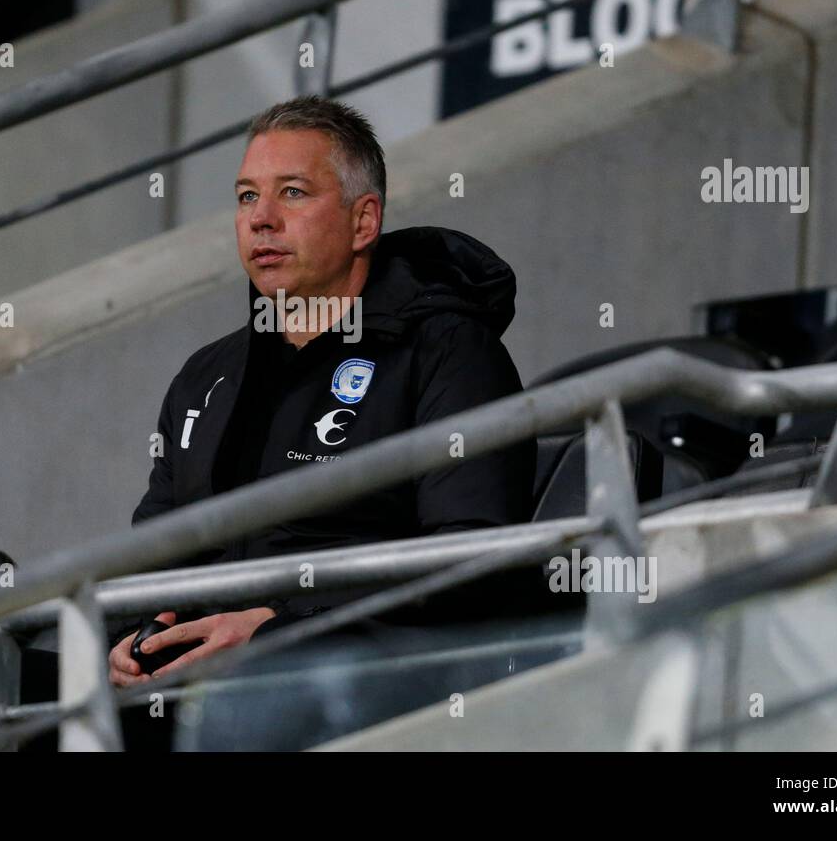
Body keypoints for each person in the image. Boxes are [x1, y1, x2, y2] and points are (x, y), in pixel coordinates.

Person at [109, 95, 536, 688]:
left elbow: (466, 562)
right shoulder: (205, 376)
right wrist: (135, 634)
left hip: (356, 686)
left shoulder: (450, 351)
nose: (261, 218)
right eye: (246, 196)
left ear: (364, 221)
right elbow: (151, 558)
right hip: (190, 694)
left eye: (292, 192)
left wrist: (274, 631)